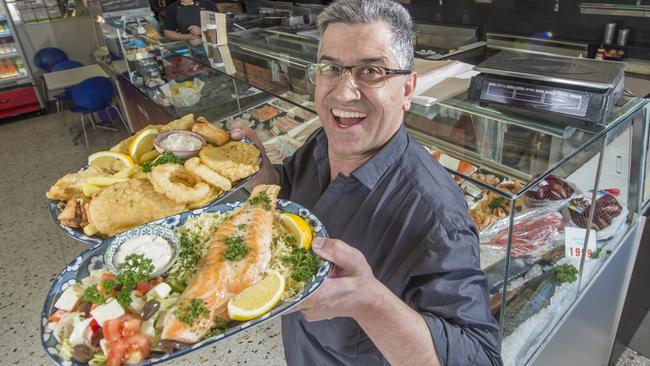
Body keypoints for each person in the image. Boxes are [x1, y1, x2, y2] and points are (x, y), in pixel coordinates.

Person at [231, 0, 502, 365]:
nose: (343, 93)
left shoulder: (436, 215)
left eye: (371, 71)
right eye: (331, 68)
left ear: (407, 90)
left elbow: (480, 358)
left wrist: (370, 302)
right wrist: (260, 171)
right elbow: (289, 194)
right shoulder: (322, 141)